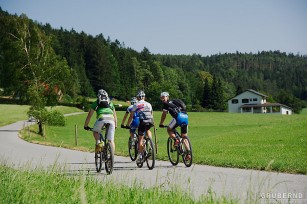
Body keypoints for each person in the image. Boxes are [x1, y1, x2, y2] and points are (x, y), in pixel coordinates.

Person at [158, 91, 191, 160]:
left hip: (178, 117)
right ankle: (188, 153)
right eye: (161, 98)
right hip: (185, 116)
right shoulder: (176, 101)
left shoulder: (166, 104)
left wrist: (161, 123)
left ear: (168, 97)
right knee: (184, 137)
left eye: (164, 97)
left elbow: (164, 115)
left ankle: (176, 140)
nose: (163, 99)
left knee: (169, 129)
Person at [126, 90, 154, 163]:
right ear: (144, 97)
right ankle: (150, 142)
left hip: (142, 121)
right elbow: (151, 114)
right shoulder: (149, 104)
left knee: (140, 138)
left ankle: (141, 155)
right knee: (147, 130)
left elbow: (131, 116)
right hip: (150, 120)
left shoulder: (136, 105)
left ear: (138, 98)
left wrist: (128, 124)